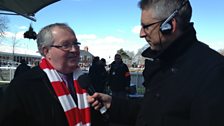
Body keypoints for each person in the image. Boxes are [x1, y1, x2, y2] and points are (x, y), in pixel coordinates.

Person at [88, 0, 224, 126]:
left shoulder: (214, 72)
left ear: (170, 25)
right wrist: (112, 103)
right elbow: (150, 111)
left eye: (146, 26)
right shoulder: (163, 62)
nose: (141, 34)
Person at [0, 23, 106, 126]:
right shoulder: (22, 86)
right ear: (46, 51)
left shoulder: (84, 79)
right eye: (65, 45)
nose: (74, 49)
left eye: (75, 44)